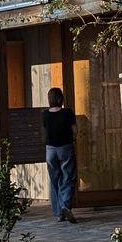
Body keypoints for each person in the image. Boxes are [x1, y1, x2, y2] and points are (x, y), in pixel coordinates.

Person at [43, 86, 77, 223]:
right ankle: (65, 205)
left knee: (54, 179)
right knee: (68, 177)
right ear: (61, 98)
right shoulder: (67, 113)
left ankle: (58, 213)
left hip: (50, 150)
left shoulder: (45, 114)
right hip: (65, 148)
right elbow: (75, 131)